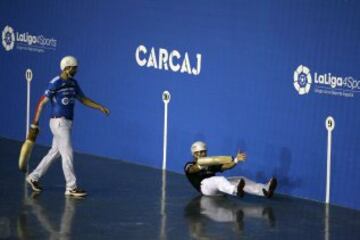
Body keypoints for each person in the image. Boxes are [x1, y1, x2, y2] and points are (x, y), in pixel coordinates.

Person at [26, 56, 110, 197]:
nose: (76, 70)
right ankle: (71, 187)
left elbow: (83, 99)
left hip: (67, 123)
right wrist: (35, 123)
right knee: (68, 153)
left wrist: (99, 107)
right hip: (59, 122)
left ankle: (33, 177)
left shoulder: (73, 83)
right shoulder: (55, 83)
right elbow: (42, 103)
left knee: (55, 152)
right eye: (74, 68)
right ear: (67, 68)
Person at [184, 141, 277, 198]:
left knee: (240, 179)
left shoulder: (211, 164)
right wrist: (202, 165)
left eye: (204, 152)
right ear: (194, 154)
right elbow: (191, 170)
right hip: (205, 188)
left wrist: (236, 160)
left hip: (218, 192)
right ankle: (235, 191)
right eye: (200, 152)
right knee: (219, 179)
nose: (203, 154)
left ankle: (265, 190)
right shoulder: (189, 165)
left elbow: (225, 166)